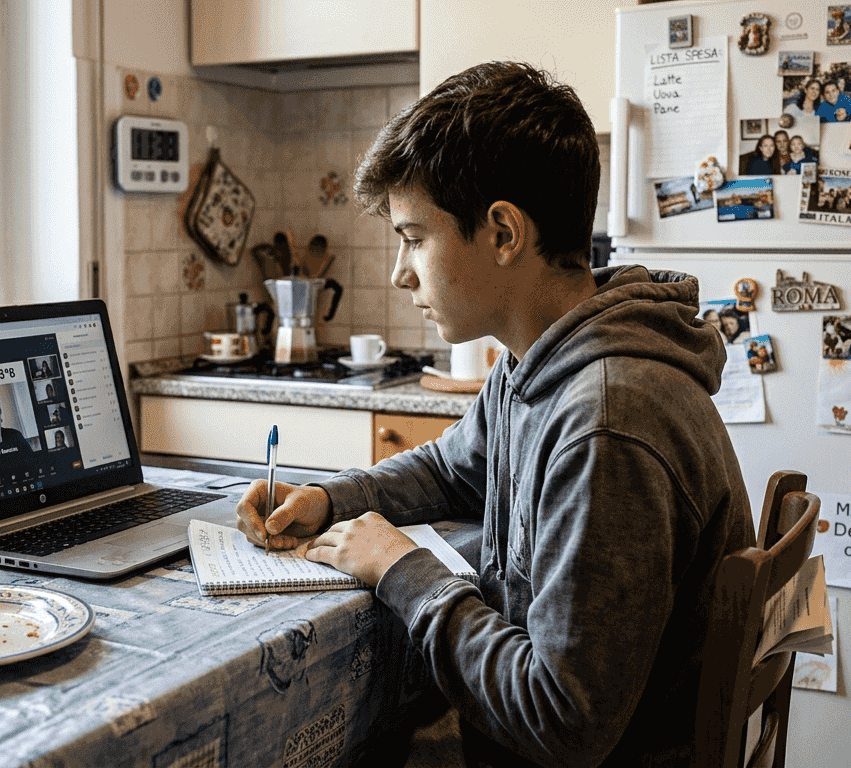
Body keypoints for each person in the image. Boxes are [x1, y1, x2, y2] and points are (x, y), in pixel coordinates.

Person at [234, 61, 753, 767]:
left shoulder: (606, 422)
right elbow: (453, 468)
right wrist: (331, 498)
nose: (400, 272)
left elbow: (563, 723)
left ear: (504, 233)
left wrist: (401, 568)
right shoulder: (539, 361)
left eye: (414, 237)